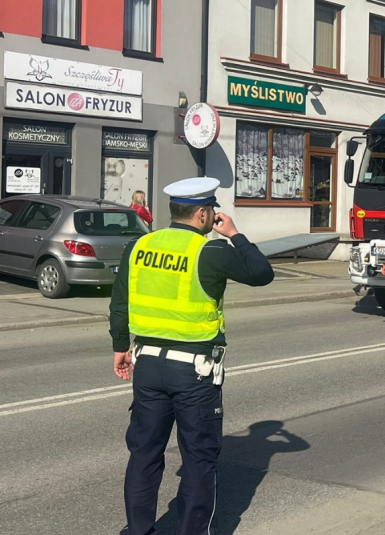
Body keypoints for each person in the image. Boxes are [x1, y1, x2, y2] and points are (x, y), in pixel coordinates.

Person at [110, 177, 274, 535]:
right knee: (199, 462)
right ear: (202, 213)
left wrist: (120, 347)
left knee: (144, 455)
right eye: (212, 211)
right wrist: (235, 234)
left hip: (148, 366)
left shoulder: (139, 245)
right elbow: (262, 273)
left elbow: (120, 302)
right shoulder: (209, 251)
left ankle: (138, 531)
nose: (214, 216)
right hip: (195, 374)